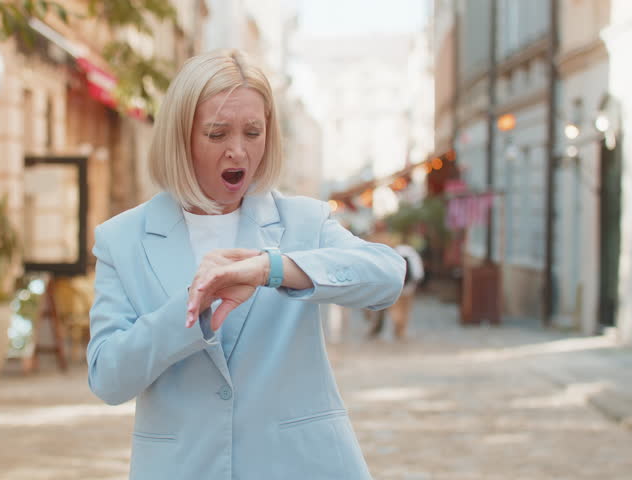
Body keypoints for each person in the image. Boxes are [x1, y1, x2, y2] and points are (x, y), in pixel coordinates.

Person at [86, 49, 405, 480]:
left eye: (253, 132)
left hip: (303, 466)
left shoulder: (305, 221)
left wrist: (270, 268)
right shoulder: (120, 239)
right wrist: (192, 308)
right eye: (217, 134)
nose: (238, 151)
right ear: (181, 139)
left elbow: (387, 275)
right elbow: (107, 378)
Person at [366, 243, 425, 340]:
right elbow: (418, 272)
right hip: (409, 288)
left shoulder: (393, 254)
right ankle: (400, 330)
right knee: (405, 310)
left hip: (396, 288)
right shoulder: (412, 254)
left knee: (395, 309)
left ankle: (397, 328)